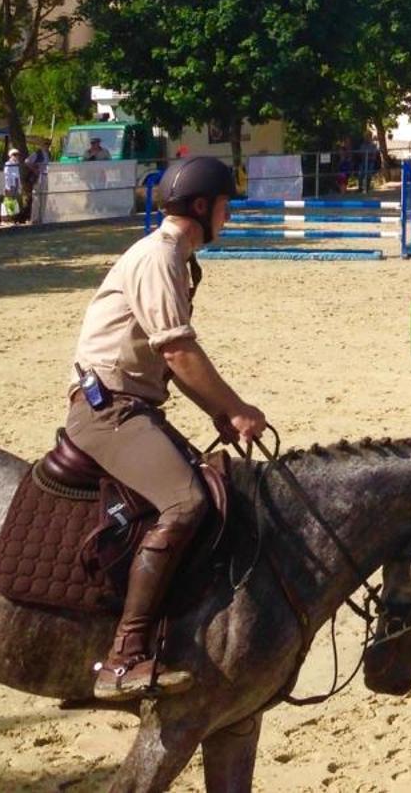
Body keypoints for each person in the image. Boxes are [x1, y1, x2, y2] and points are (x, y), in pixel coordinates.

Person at [65, 154, 266, 702]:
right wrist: (237, 408)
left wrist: (219, 412)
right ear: (202, 207)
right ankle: (123, 656)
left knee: (211, 484)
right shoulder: (157, 257)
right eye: (225, 206)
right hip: (110, 410)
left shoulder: (175, 257)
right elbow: (177, 351)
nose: (228, 216)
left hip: (135, 405)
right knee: (186, 502)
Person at [0, 149, 25, 225]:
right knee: (7, 201)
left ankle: (11, 219)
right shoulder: (8, 163)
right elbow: (6, 175)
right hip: (10, 185)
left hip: (15, 184)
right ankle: (4, 219)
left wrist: (19, 186)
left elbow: (18, 176)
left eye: (17, 155)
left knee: (13, 202)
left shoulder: (17, 164)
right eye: (14, 155)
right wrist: (8, 186)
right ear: (10, 155)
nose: (16, 156)